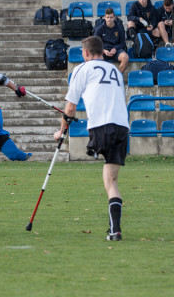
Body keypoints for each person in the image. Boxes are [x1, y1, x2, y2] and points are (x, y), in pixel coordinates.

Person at [54, 36, 129, 241]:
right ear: (103, 51)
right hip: (122, 126)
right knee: (112, 180)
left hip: (101, 126)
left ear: (85, 53)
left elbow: (70, 107)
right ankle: (115, 230)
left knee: (108, 178)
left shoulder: (82, 69)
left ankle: (93, 149)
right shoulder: (115, 70)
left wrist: (61, 131)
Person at [94, 8, 129, 73]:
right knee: (97, 59)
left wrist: (115, 49)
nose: (109, 19)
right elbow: (96, 43)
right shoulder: (99, 29)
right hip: (104, 51)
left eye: (111, 17)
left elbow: (123, 43)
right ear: (104, 17)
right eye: (107, 17)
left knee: (125, 57)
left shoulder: (119, 28)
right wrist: (103, 50)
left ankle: (117, 77)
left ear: (114, 17)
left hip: (116, 50)